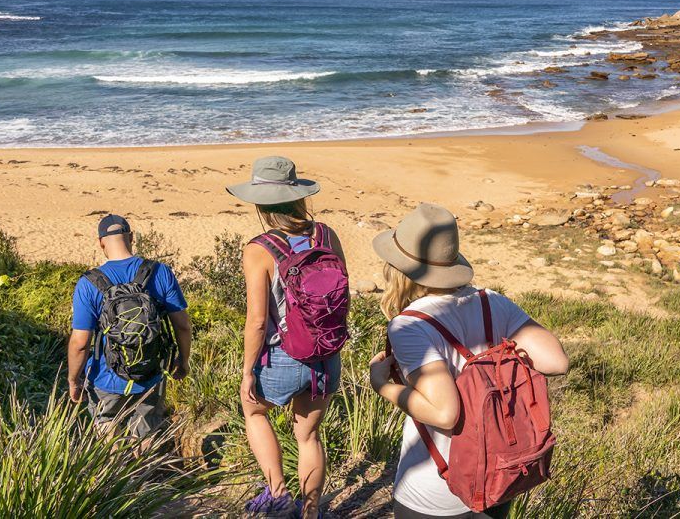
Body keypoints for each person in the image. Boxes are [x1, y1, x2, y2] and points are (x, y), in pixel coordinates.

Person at [367, 203, 570, 519]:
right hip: (498, 475)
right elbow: (556, 361)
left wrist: (381, 384)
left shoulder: (409, 325)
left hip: (436, 491)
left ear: (398, 269)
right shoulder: (492, 302)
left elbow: (444, 413)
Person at [227, 156, 349, 519]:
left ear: (261, 205)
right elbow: (342, 293)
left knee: (253, 410)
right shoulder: (326, 234)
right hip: (324, 353)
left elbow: (257, 321)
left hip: (282, 356)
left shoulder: (259, 249)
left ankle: (278, 495)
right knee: (308, 437)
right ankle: (310, 513)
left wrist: (247, 371)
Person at [67, 214, 192, 438]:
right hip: (151, 373)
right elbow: (182, 326)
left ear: (101, 242)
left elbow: (80, 343)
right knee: (145, 435)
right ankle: (141, 460)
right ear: (131, 237)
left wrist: (73, 380)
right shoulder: (160, 272)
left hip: (105, 378)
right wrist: (183, 361)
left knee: (107, 431)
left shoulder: (88, 283)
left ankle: (116, 461)